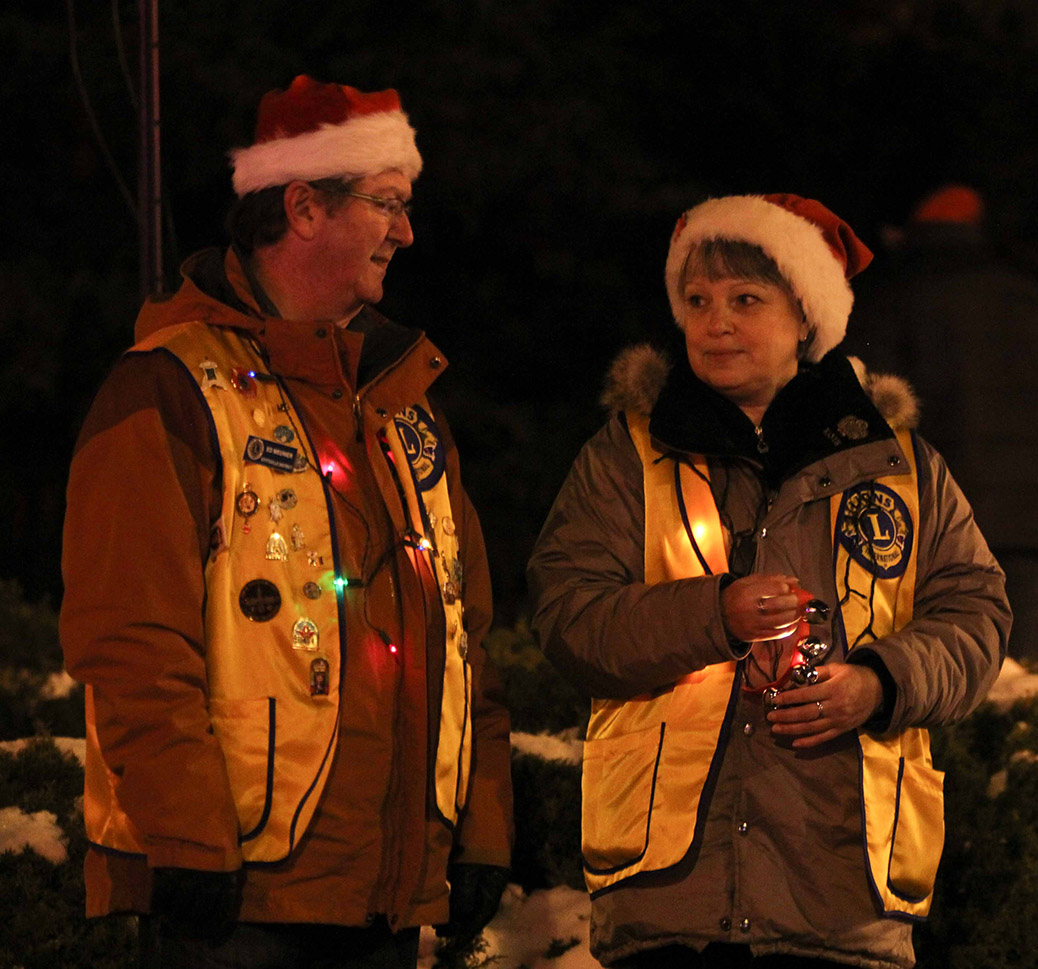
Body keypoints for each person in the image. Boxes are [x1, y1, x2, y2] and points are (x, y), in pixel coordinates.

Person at [61, 76, 512, 969]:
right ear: (303, 207)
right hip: (236, 899)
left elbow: (467, 637)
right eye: (387, 203)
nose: (406, 231)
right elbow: (130, 639)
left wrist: (481, 828)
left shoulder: (409, 411)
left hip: (386, 897)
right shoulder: (167, 388)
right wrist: (189, 838)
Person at [527, 193, 1009, 968]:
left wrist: (880, 682)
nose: (714, 322)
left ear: (806, 316)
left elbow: (979, 614)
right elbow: (567, 614)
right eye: (697, 300)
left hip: (841, 903)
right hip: (668, 906)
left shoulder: (900, 464)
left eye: (745, 300)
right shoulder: (627, 455)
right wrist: (712, 613)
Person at [847, 184, 1038, 661]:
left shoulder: (890, 297)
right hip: (1027, 526)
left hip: (935, 524)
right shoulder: (1024, 294)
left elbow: (864, 410)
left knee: (950, 680)